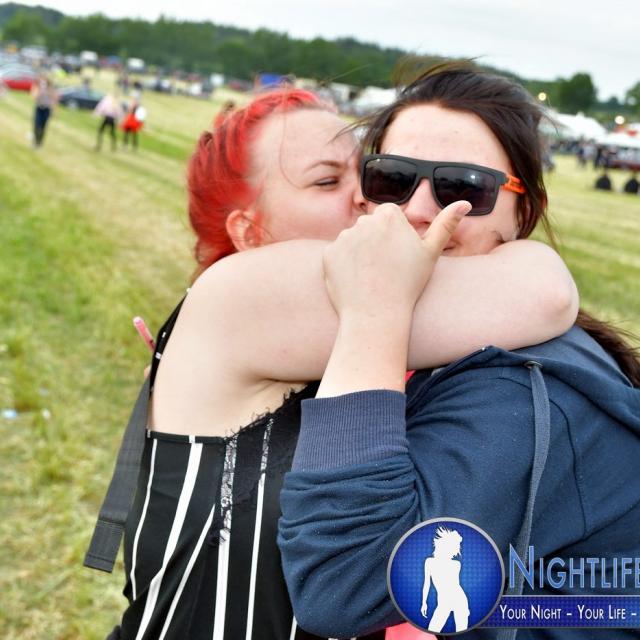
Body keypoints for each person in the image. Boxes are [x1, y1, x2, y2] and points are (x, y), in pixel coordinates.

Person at [94, 87, 579, 640]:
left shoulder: (310, 322)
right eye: (327, 181)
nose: (373, 202)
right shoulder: (242, 293)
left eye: (370, 173)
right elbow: (542, 293)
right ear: (249, 231)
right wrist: (525, 246)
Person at [277, 64, 640, 640]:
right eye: (393, 177)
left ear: (525, 212)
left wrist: (374, 310)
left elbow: (341, 582)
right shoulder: (455, 340)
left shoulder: (517, 389)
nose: (419, 209)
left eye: (464, 187)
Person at [31, 74, 57, 148]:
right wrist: (40, 91)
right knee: (37, 125)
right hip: (39, 108)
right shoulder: (38, 88)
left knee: (43, 126)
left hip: (47, 109)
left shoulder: (51, 88)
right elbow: (34, 98)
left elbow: (54, 99)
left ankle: (40, 142)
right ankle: (35, 141)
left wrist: (54, 111)